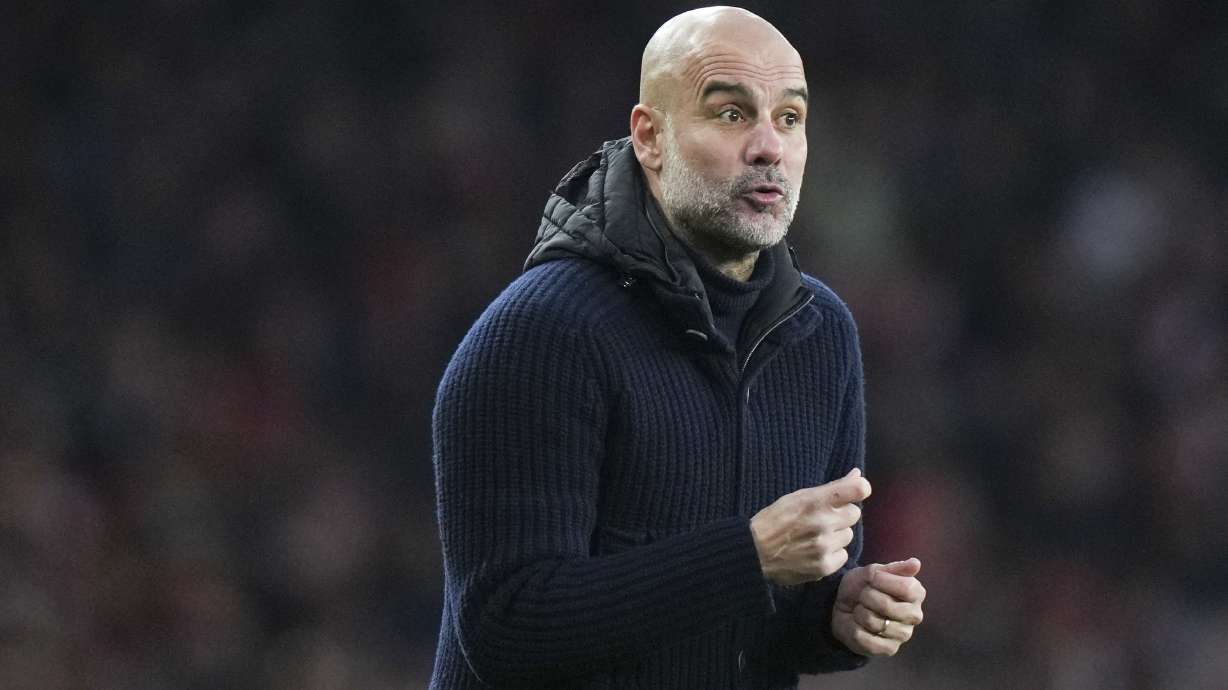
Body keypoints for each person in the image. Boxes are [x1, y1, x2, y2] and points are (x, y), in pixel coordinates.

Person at [430, 6, 925, 689]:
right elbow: (507, 628)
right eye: (730, 114)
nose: (768, 147)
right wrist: (746, 557)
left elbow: (778, 610)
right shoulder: (540, 334)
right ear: (650, 137)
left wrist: (837, 616)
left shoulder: (821, 335)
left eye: (789, 118)